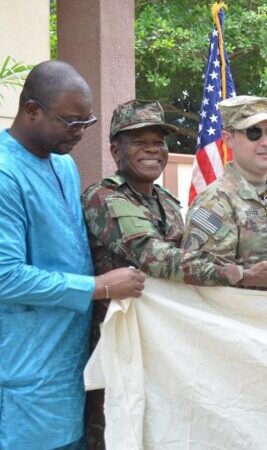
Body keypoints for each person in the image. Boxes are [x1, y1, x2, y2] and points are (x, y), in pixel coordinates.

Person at [81, 99, 267, 449]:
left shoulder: (165, 202)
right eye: (139, 140)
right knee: (114, 429)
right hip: (119, 346)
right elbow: (155, 257)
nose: (152, 149)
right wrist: (241, 274)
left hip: (164, 350)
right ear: (114, 149)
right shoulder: (105, 197)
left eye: (159, 141)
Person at [0, 60, 144, 449]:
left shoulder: (64, 166)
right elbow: (5, 276)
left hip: (71, 364)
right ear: (32, 110)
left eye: (87, 122)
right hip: (25, 368)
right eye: (71, 123)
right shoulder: (4, 174)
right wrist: (98, 286)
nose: (80, 133)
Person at [182, 95, 267, 292]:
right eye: (253, 133)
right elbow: (199, 276)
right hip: (240, 318)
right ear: (228, 139)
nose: (266, 142)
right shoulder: (214, 201)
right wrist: (247, 277)